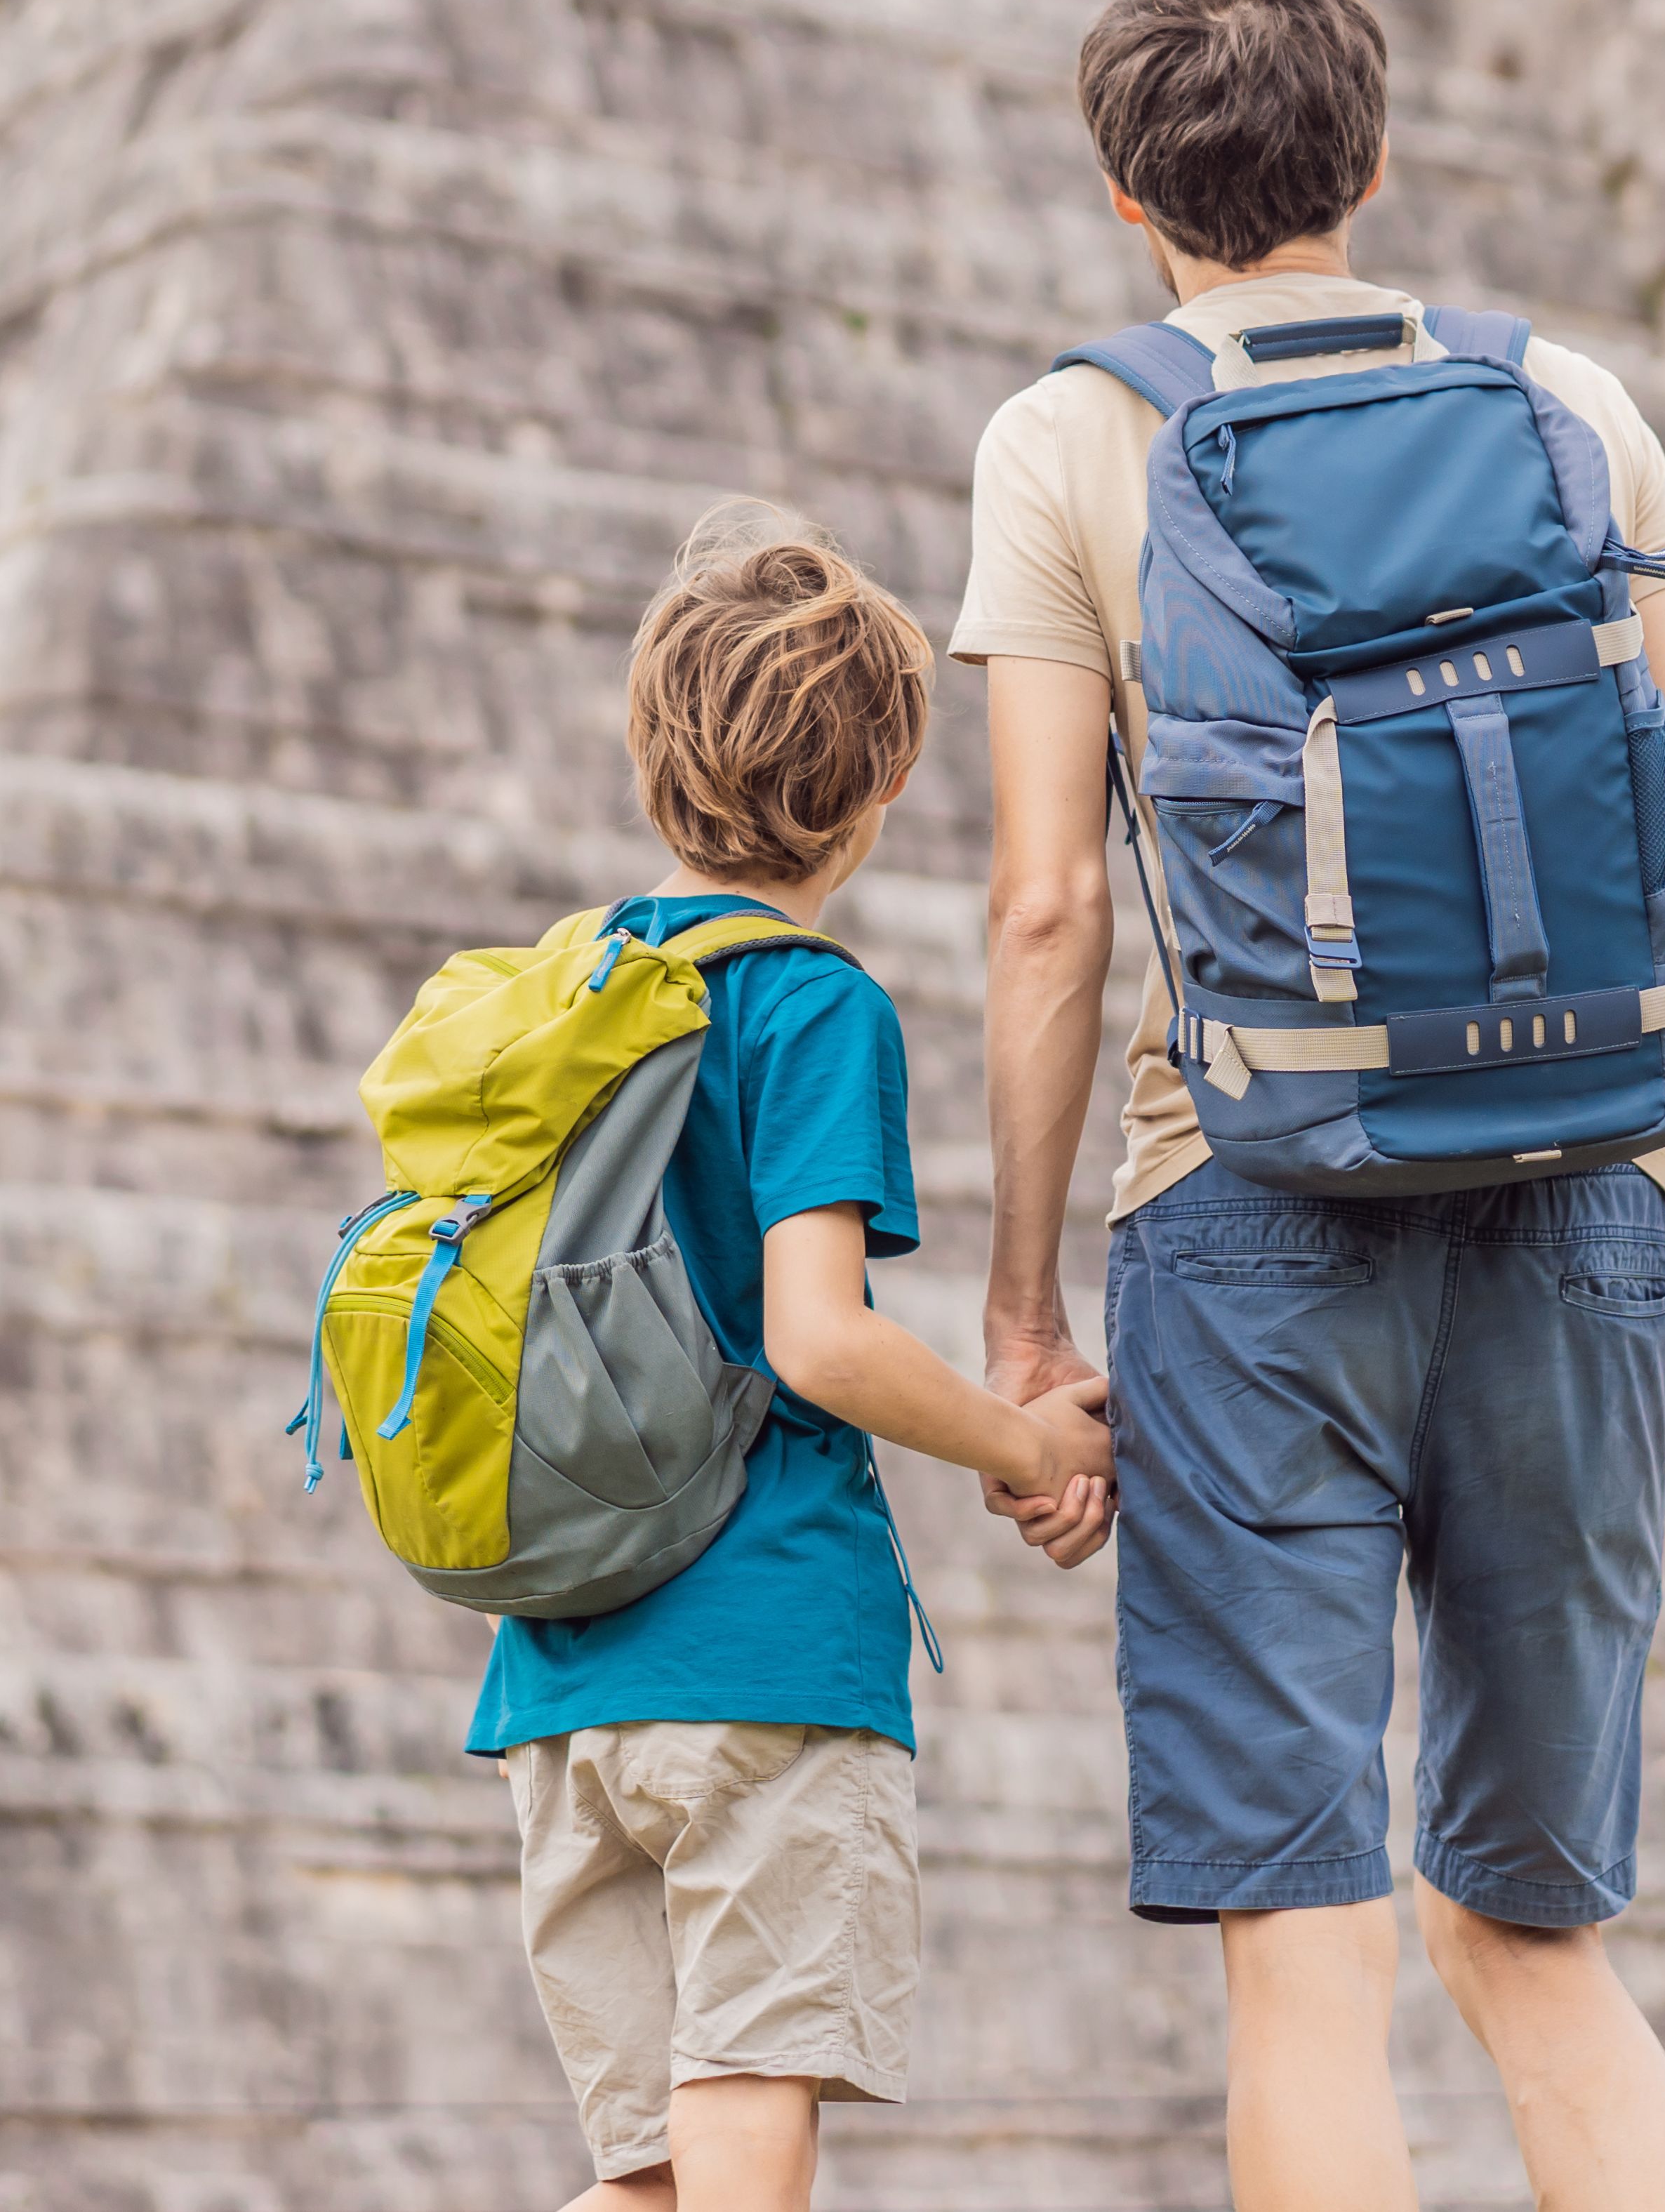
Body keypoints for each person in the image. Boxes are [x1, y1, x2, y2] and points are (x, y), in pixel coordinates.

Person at [952, 0, 1665, 2212]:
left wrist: (1016, 1311)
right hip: (1571, 1197)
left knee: (1308, 1938)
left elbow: (1049, 904)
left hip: (1243, 1210)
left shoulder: (1075, 431)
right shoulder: (1565, 399)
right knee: (1530, 1923)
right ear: (1369, 157)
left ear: (1122, 194)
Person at [478, 504, 1121, 2212]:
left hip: (562, 1685)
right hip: (761, 1658)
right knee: (753, 2115)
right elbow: (819, 1337)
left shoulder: (565, 999)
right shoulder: (809, 1003)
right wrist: (1027, 1442)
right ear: (872, 795)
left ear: (650, 758)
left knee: (646, 2178)